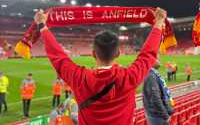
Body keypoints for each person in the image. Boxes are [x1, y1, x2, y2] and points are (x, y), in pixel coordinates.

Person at [35, 7, 166, 125]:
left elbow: (58, 57)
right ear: (118, 53)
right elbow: (147, 54)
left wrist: (42, 26)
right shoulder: (129, 77)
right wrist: (158, 23)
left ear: (93, 54)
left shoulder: (80, 78)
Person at [143, 59, 174, 125]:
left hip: (158, 114)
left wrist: (169, 110)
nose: (159, 59)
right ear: (150, 61)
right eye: (156, 58)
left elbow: (162, 94)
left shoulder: (154, 74)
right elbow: (155, 99)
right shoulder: (151, 76)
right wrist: (165, 115)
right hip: (157, 116)